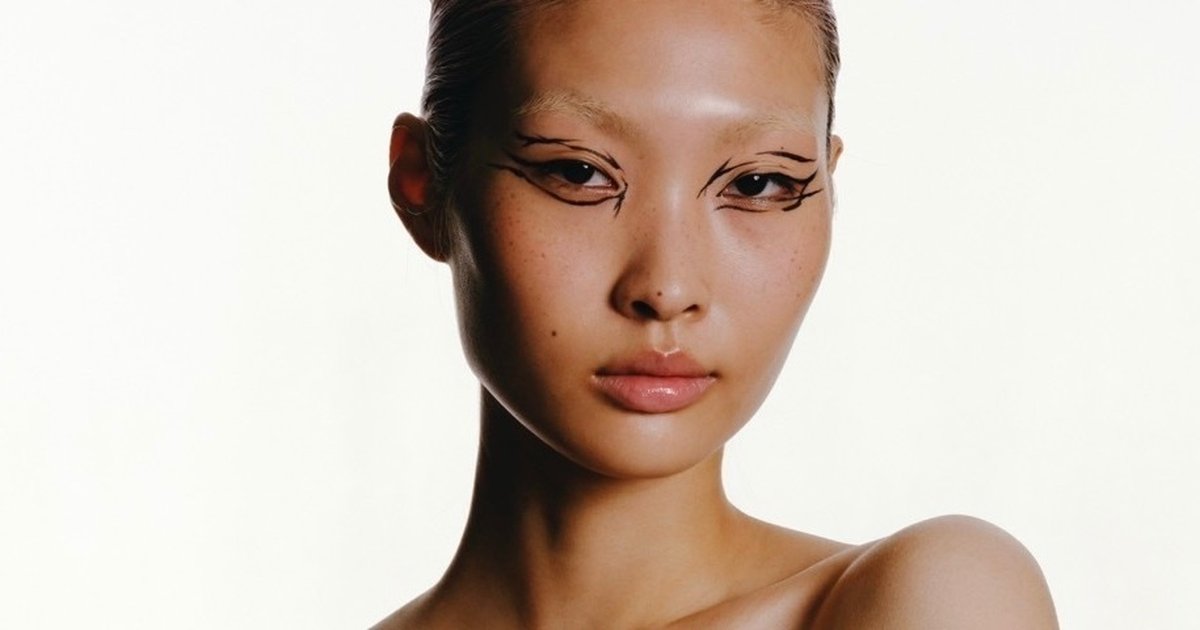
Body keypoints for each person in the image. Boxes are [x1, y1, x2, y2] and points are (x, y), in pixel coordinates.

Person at [378, 0, 1058, 627]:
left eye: (759, 183)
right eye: (579, 173)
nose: (667, 287)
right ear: (423, 183)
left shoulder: (942, 597)